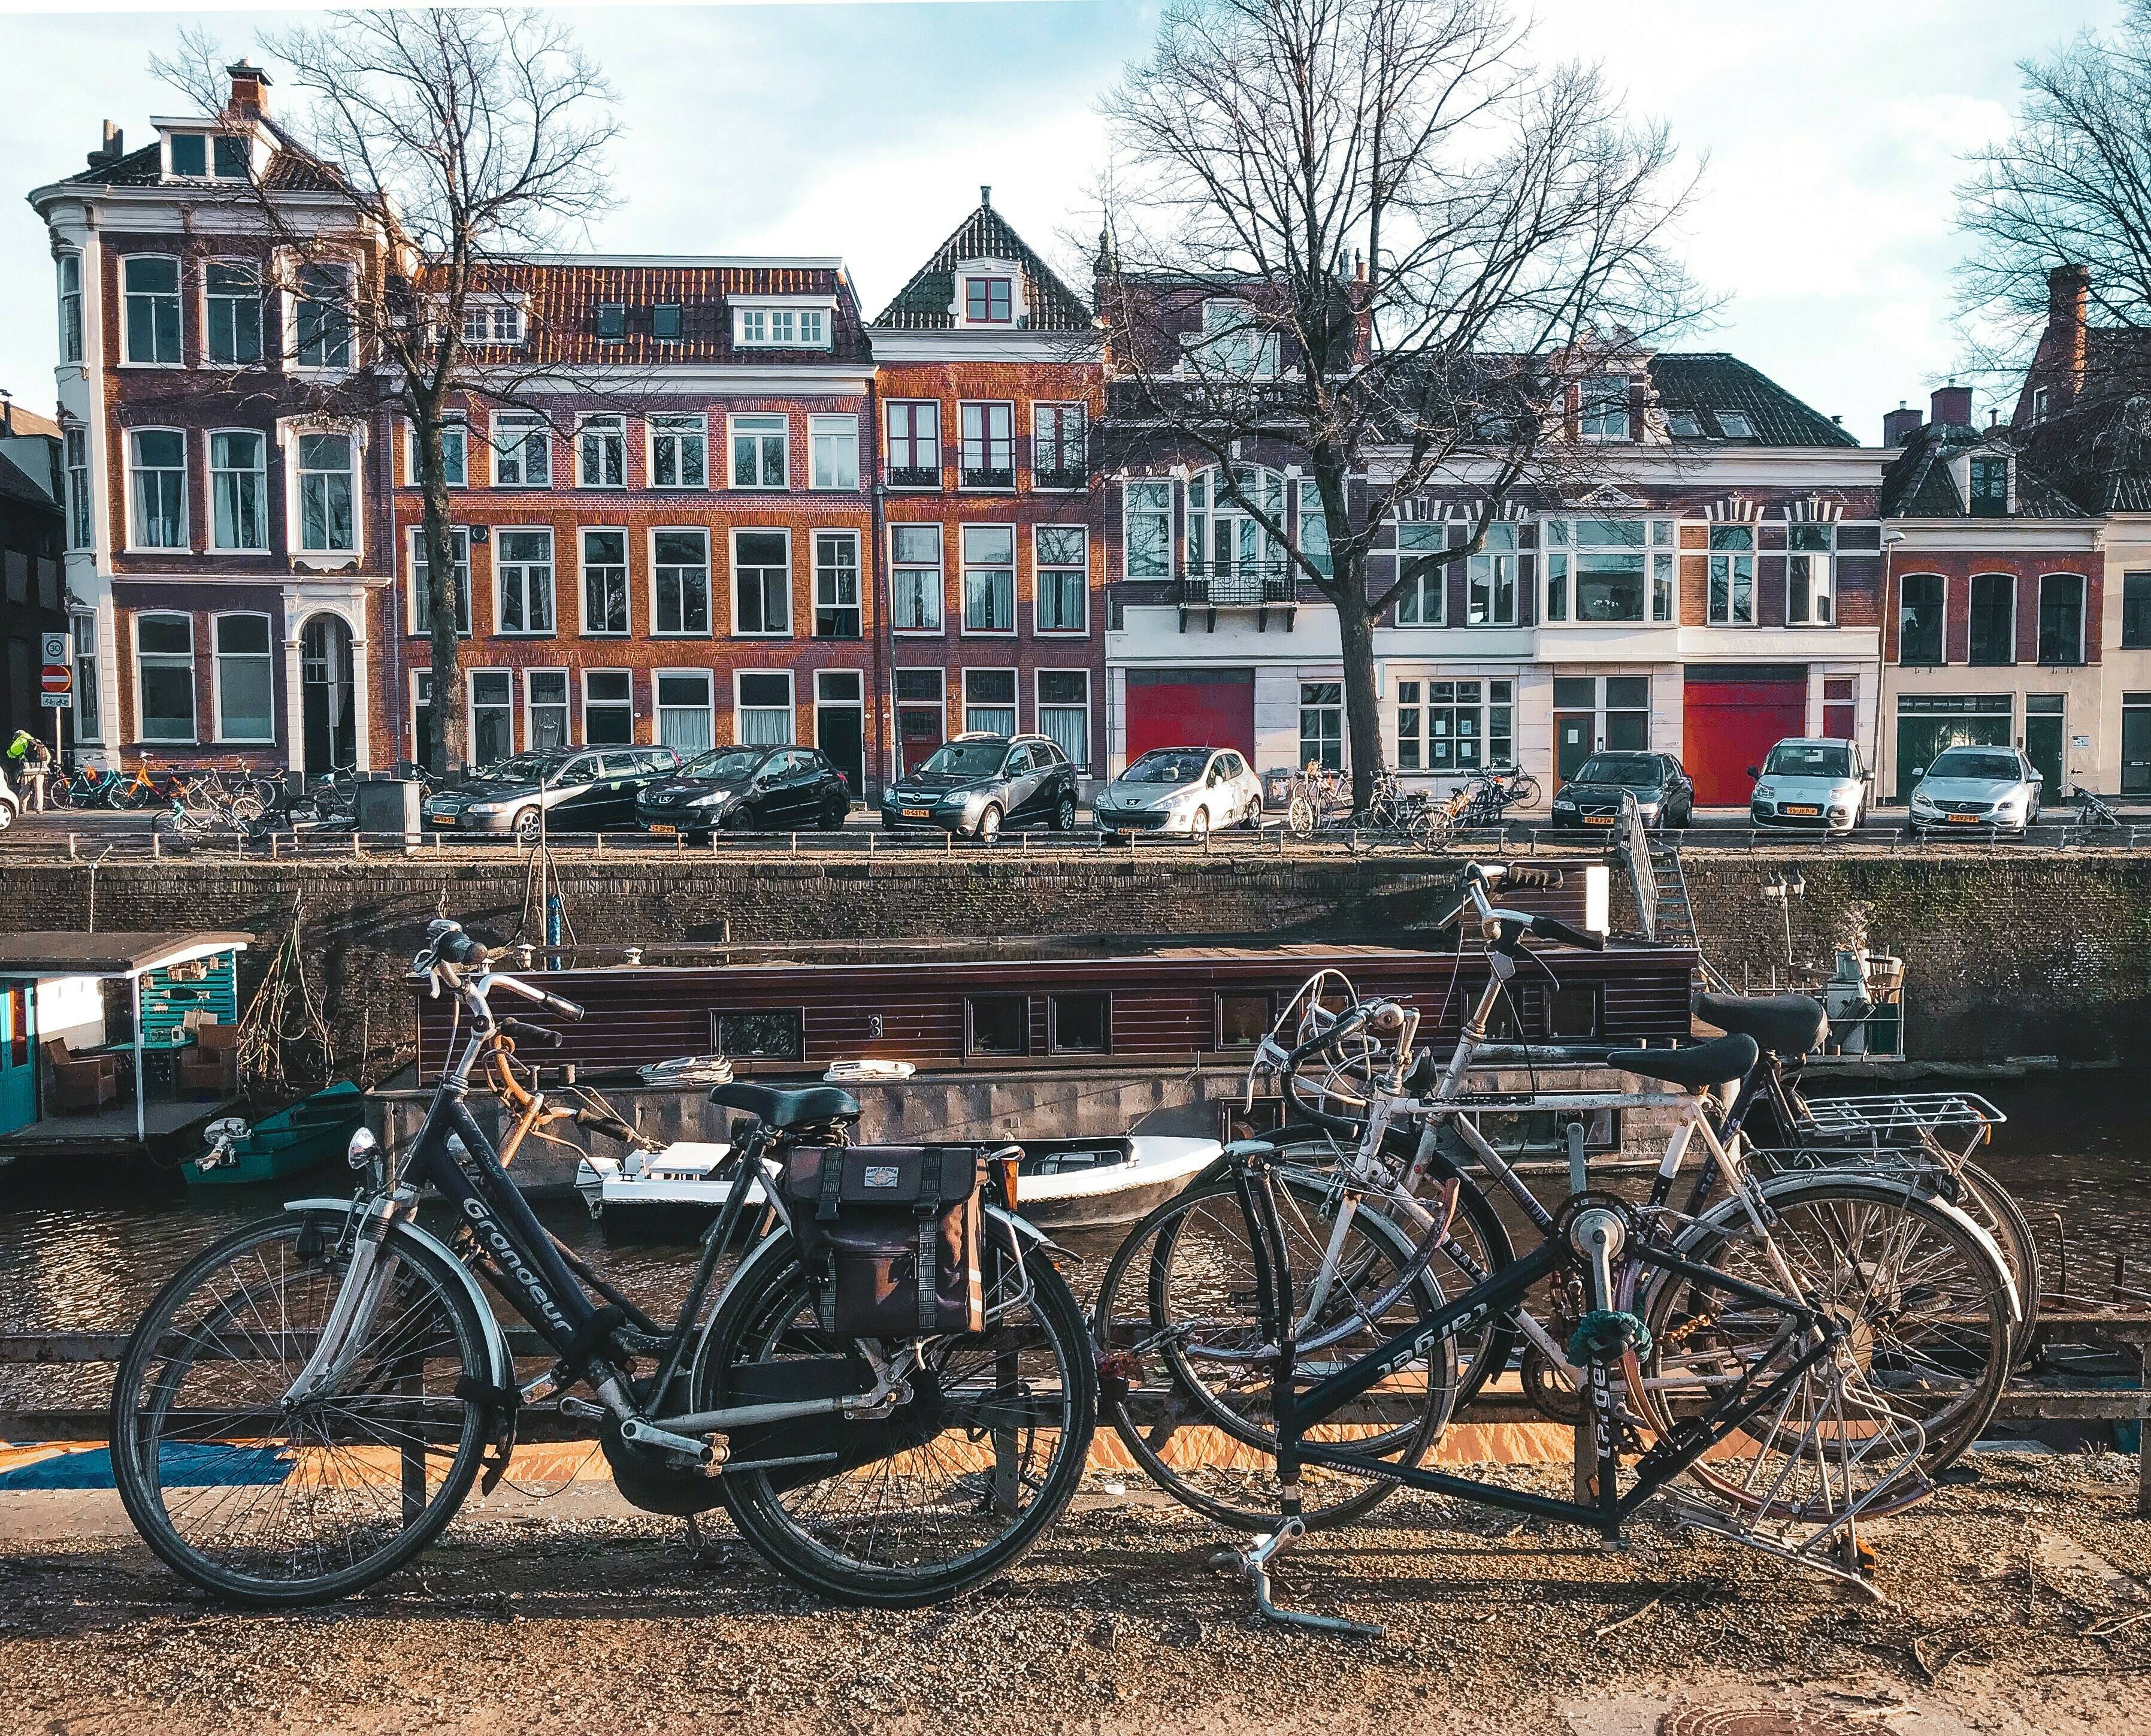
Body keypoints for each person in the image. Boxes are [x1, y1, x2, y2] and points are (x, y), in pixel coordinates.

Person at [6, 729, 50, 812]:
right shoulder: (36, 741)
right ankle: (39, 809)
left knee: (25, 788)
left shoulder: (22, 740)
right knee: (39, 789)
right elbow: (48, 756)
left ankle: (22, 808)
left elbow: (12, 752)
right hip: (40, 769)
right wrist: (44, 764)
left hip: (28, 769)